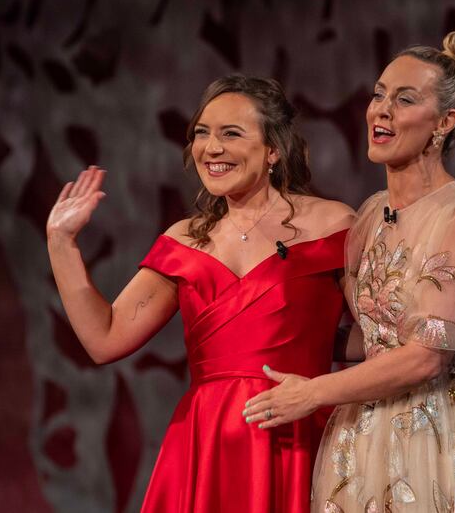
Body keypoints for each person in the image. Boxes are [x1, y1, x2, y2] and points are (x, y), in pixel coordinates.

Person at [243, 32, 455, 512]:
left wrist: (313, 393)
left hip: (440, 430)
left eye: (404, 99)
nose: (380, 110)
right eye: (378, 94)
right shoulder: (370, 215)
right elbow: (377, 336)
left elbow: (427, 358)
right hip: (367, 432)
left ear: (445, 122)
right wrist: (273, 333)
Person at [46, 74, 355, 512]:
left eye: (231, 133)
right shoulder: (185, 241)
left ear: (273, 149)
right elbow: (105, 337)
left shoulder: (332, 224)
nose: (211, 148)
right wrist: (61, 243)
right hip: (204, 446)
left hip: (296, 437)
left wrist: (322, 354)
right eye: (202, 133)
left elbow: (382, 336)